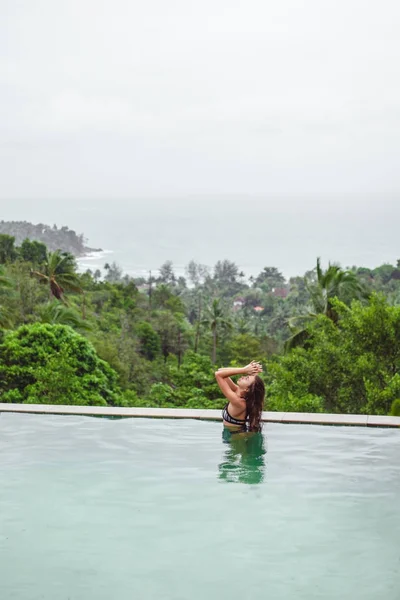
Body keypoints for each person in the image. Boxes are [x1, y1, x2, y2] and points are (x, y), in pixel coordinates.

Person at [215, 361, 265, 433]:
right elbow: (220, 371)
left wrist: (243, 370)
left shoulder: (239, 403)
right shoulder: (237, 391)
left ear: (247, 389)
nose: (242, 376)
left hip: (237, 438)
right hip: (232, 435)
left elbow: (218, 375)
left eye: (246, 378)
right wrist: (245, 369)